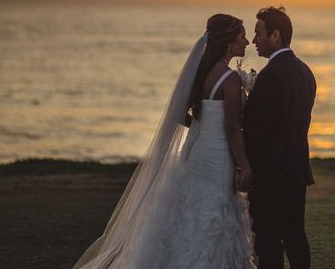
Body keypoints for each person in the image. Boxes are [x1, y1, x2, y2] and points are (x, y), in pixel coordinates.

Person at [72, 14, 256, 269]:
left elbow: (178, 113)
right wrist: (245, 165)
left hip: (195, 153)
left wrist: (202, 127)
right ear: (228, 42)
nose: (246, 41)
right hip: (217, 156)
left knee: (192, 211)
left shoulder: (201, 74)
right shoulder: (230, 78)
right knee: (214, 212)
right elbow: (233, 126)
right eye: (242, 36)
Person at [243, 6, 317, 269]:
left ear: (275, 36)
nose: (254, 41)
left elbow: (257, 130)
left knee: (269, 242)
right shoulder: (305, 71)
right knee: (296, 236)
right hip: (296, 169)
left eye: (258, 33)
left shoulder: (271, 75)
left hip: (271, 174)